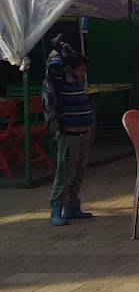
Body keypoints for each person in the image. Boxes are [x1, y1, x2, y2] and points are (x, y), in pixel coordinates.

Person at [43, 46, 92, 226]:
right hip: (69, 137)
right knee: (65, 173)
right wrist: (56, 52)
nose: (83, 73)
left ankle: (72, 206)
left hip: (83, 135)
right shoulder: (61, 81)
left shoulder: (77, 83)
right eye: (80, 69)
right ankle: (56, 209)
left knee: (79, 171)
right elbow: (53, 67)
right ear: (70, 69)